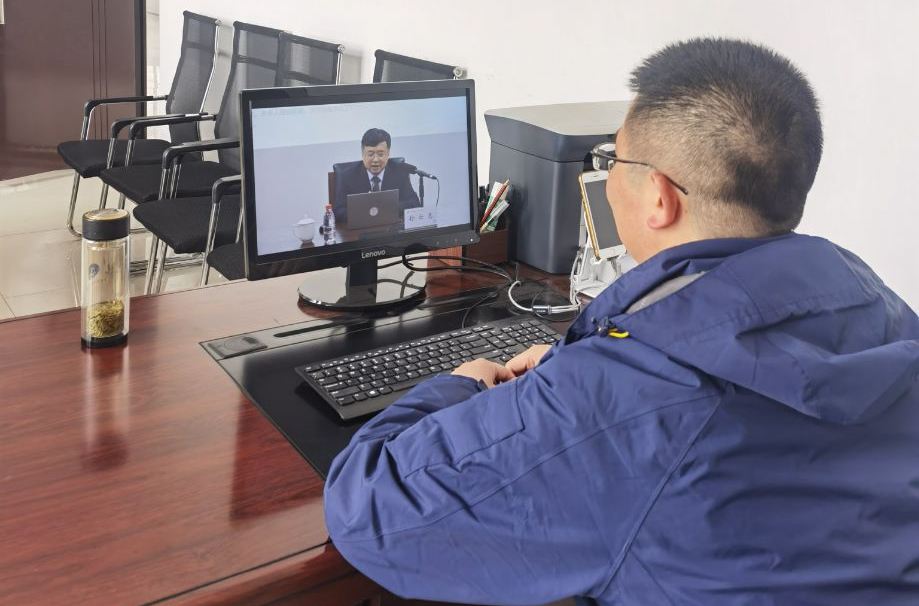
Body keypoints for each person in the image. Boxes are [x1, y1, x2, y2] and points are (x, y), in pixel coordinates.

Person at [323, 38, 919, 605]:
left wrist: (463, 383)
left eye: (612, 157)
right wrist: (579, 370)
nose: (607, 174)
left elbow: (369, 510)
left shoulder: (626, 396)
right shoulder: (877, 303)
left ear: (660, 196)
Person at [332, 127, 421, 222]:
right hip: (362, 228)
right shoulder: (348, 176)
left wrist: (389, 208)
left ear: (388, 153)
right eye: (370, 154)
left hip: (391, 227)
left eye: (380, 154)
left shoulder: (399, 172)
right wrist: (366, 211)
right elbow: (338, 211)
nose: (375, 160)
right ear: (362, 153)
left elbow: (415, 203)